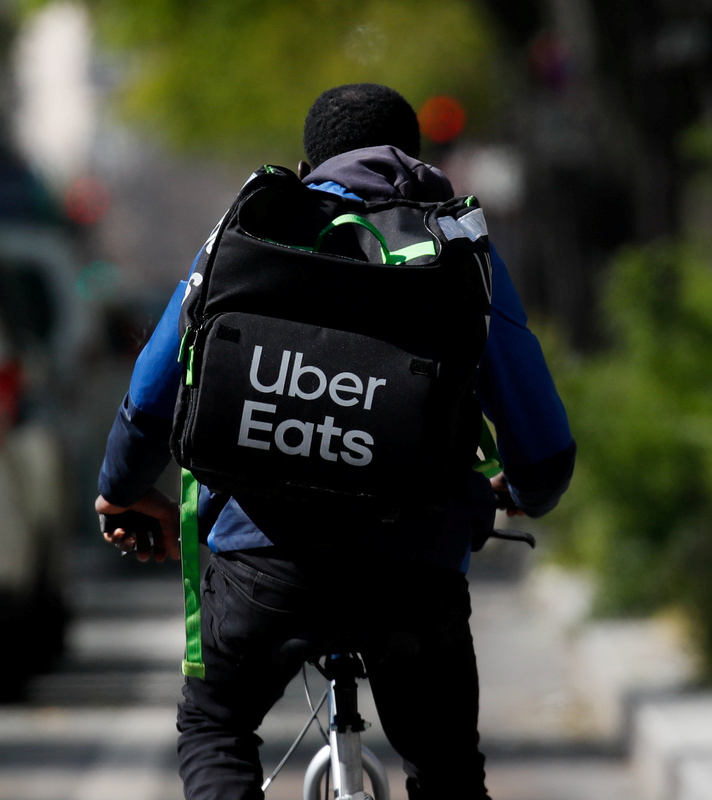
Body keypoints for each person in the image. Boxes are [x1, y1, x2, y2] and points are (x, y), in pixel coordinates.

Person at [95, 83, 575, 800]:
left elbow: (154, 390)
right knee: (446, 766)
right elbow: (540, 436)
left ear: (308, 164)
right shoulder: (458, 244)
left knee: (216, 727)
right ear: (414, 158)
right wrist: (526, 490)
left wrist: (124, 489)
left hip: (263, 565)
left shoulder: (253, 228)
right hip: (416, 572)